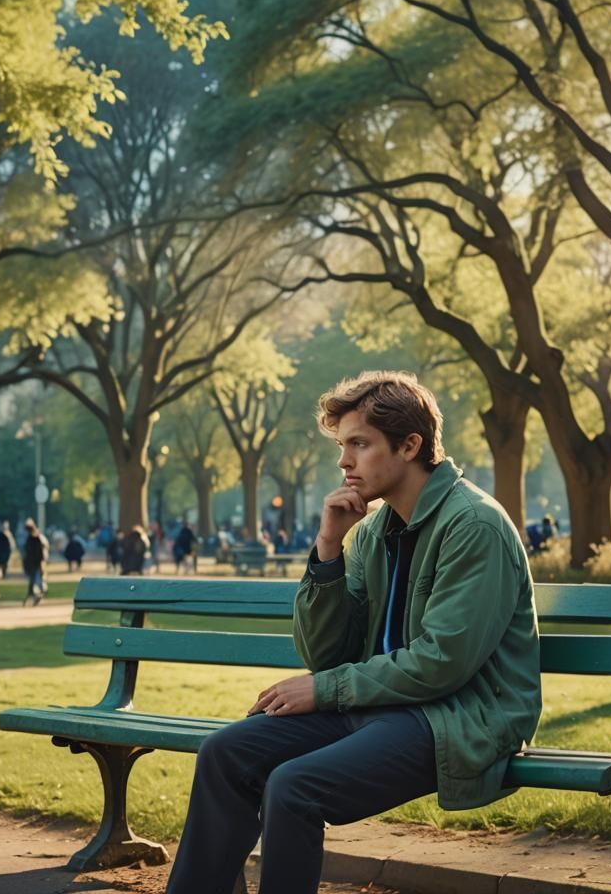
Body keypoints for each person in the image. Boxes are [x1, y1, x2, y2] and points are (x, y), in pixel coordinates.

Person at [165, 371, 542, 894]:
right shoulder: (370, 532)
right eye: (343, 446)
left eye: (359, 444)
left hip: (460, 713)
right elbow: (328, 654)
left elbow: (443, 662)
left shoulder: (473, 525)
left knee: (294, 786)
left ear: (409, 445)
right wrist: (326, 553)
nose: (344, 461)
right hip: (381, 707)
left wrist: (324, 690)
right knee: (226, 754)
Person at [22, 519, 49, 606]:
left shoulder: (34, 538)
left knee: (36, 581)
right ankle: (36, 594)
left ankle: (36, 594)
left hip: (36, 563)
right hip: (36, 563)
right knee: (36, 581)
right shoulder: (38, 537)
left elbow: (29, 551)